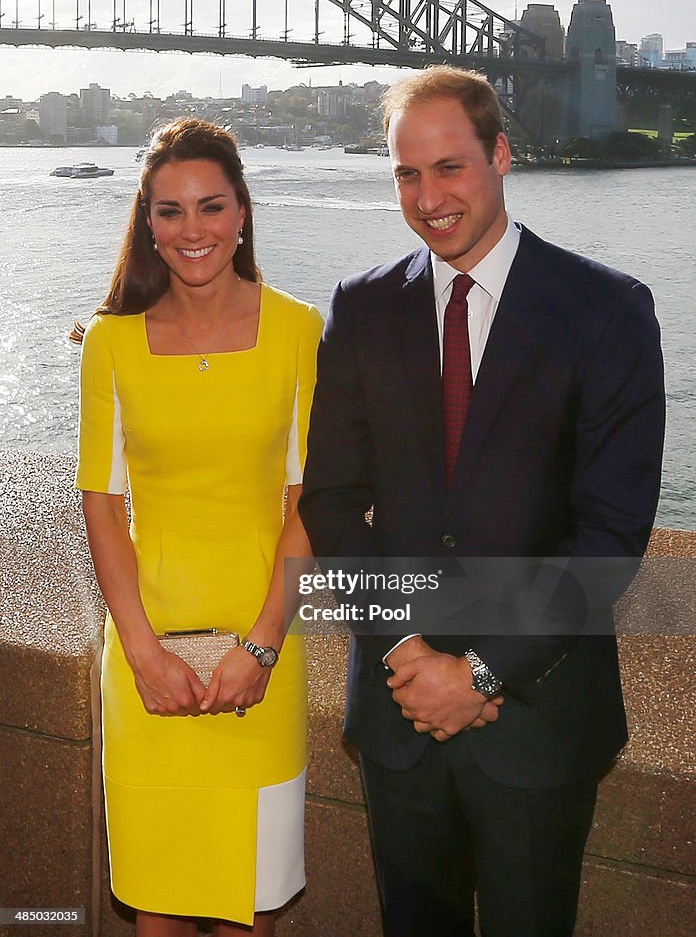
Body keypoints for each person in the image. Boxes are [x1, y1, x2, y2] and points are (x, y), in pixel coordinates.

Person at [299, 67, 665, 937]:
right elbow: (332, 504)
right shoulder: (361, 307)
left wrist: (483, 671)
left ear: (502, 155)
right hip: (400, 714)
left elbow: (609, 535)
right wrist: (411, 655)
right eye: (407, 173)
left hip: (538, 723)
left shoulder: (605, 308)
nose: (429, 197)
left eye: (451, 167)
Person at [74, 118, 323, 937]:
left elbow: (307, 505)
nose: (193, 231)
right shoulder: (110, 343)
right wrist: (142, 654)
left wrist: (259, 647)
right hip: (149, 663)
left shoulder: (299, 331)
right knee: (159, 913)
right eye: (170, 211)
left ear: (243, 211)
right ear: (147, 221)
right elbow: (102, 507)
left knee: (254, 915)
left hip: (266, 655)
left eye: (211, 207)